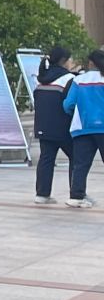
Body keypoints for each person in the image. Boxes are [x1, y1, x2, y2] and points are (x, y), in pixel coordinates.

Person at [33, 47, 75, 205]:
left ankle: (42, 194)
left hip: (43, 125)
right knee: (76, 157)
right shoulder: (69, 78)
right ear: (64, 60)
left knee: (46, 158)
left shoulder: (41, 77)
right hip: (63, 126)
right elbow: (71, 103)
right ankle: (76, 194)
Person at [65, 49, 104, 209]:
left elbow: (68, 104)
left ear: (91, 63)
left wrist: (74, 113)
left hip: (82, 127)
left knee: (81, 164)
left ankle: (76, 197)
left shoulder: (79, 80)